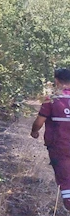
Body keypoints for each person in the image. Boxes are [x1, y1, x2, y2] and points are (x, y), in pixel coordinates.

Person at [31, 68, 70, 211]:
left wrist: (34, 132)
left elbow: (39, 122)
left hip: (59, 145)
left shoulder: (52, 98)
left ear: (56, 80)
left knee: (64, 178)